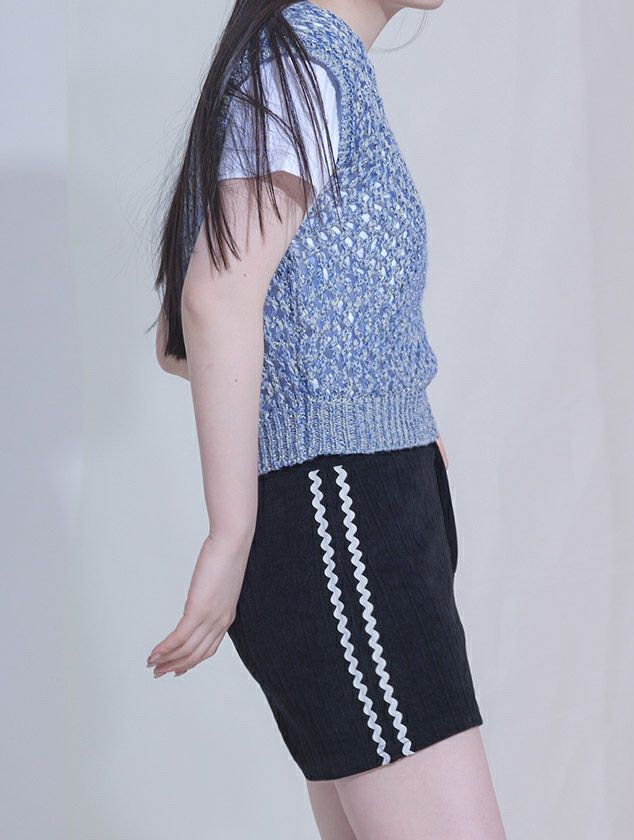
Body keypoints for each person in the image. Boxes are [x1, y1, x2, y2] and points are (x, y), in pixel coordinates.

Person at [147, 1, 506, 837]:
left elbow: (190, 334)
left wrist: (395, 417)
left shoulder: (310, 61)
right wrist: (230, 535)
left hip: (368, 507)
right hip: (343, 511)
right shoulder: (299, 60)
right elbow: (213, 299)